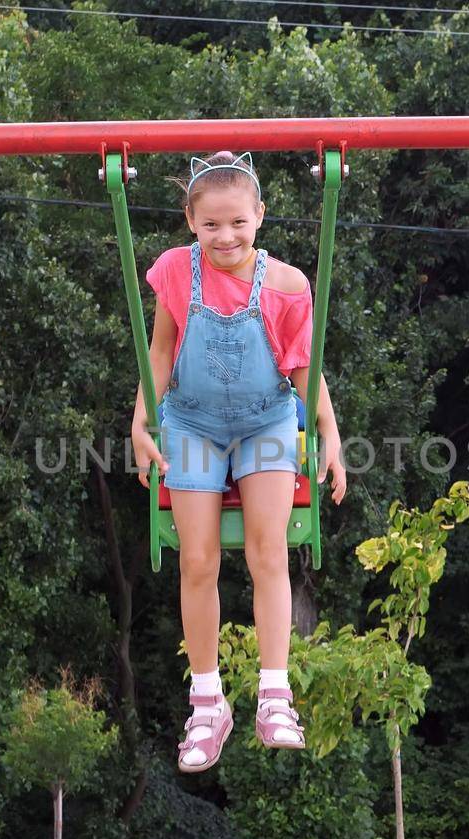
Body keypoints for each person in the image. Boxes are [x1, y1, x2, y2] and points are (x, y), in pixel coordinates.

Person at [130, 151, 348, 773]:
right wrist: (141, 420)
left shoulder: (286, 285)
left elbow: (305, 368)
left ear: (260, 216)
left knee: (267, 551)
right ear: (190, 224)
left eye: (237, 223)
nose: (224, 237)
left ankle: (274, 693)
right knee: (196, 560)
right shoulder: (176, 272)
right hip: (194, 420)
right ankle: (207, 702)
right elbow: (162, 351)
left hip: (265, 421)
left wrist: (329, 435)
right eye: (210, 226)